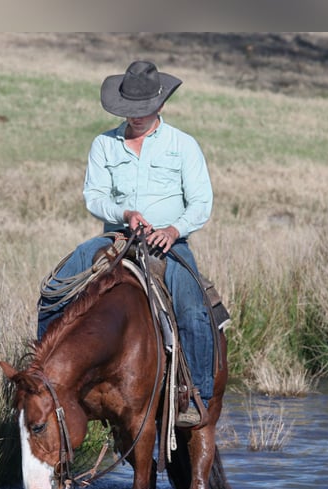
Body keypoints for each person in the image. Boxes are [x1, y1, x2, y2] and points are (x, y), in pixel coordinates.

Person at [37, 60, 215, 427]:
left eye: (143, 110)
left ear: (160, 105)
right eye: (129, 110)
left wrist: (173, 230)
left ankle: (197, 396)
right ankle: (46, 383)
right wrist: (124, 212)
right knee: (53, 293)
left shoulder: (183, 146)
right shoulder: (104, 144)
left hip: (168, 243)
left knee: (194, 310)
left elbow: (201, 204)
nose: (135, 117)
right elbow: (94, 196)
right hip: (116, 236)